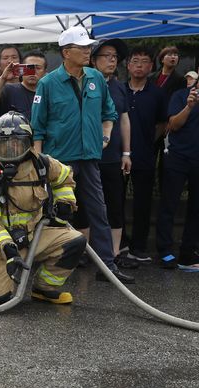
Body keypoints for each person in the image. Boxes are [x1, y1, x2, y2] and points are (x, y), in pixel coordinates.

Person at [31, 26, 134, 284]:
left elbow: (109, 112)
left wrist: (106, 136)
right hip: (58, 161)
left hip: (89, 158)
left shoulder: (95, 78)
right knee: (54, 213)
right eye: (83, 47)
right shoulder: (47, 83)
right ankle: (48, 266)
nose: (89, 51)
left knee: (99, 211)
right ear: (66, 52)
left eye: (89, 46)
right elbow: (38, 128)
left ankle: (108, 267)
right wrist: (38, 164)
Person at [0, 112, 86, 306]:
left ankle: (44, 288)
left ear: (29, 143)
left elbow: (64, 177)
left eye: (16, 143)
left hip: (34, 236)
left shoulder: (41, 164)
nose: (10, 149)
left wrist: (65, 202)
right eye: (4, 144)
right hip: (0, 245)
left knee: (75, 242)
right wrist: (8, 249)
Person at [89, 38, 135, 268]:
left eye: (115, 56)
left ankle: (114, 254)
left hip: (113, 156)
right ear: (93, 59)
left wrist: (126, 152)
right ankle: (83, 253)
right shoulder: (84, 82)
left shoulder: (118, 86)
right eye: (106, 55)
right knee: (84, 204)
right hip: (87, 155)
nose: (111, 60)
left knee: (115, 204)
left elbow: (124, 120)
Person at [124, 47, 168, 264]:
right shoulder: (118, 89)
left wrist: (149, 142)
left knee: (143, 203)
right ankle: (120, 242)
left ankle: (139, 247)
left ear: (151, 66)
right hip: (117, 155)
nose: (139, 65)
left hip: (144, 155)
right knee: (115, 201)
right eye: (135, 60)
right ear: (128, 65)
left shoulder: (158, 94)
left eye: (144, 62)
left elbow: (162, 123)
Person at [156, 78, 199, 271]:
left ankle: (188, 254)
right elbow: (173, 124)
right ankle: (165, 250)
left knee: (196, 209)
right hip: (178, 157)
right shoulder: (181, 95)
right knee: (168, 205)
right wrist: (189, 107)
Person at [0, 50, 48, 120]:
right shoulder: (8, 90)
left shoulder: (48, 93)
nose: (33, 72)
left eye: (38, 68)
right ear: (22, 68)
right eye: (29, 67)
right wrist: (3, 78)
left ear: (45, 72)